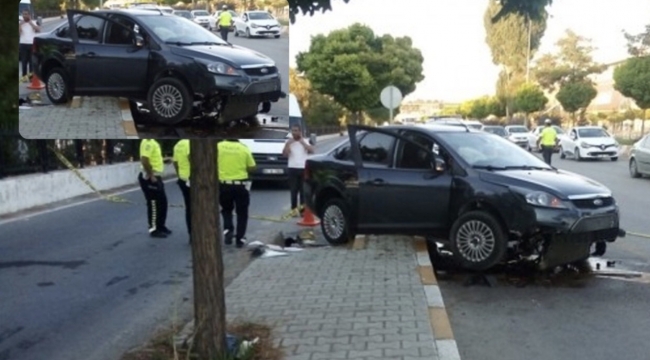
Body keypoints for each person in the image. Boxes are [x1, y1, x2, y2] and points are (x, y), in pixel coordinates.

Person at [218, 139, 256, 248]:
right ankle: (240, 239)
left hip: (224, 184)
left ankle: (228, 230)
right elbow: (252, 167)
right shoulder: (243, 148)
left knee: (226, 210)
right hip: (241, 185)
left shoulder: (218, 146)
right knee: (242, 213)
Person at [139, 139, 171, 238]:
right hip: (150, 178)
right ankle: (153, 229)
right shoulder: (148, 141)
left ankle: (160, 226)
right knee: (153, 204)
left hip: (156, 177)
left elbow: (152, 158)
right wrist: (151, 175)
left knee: (162, 203)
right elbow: (144, 159)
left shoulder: (153, 141)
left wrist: (163, 161)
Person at [282, 124, 314, 216]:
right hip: (292, 168)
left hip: (303, 168)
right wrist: (288, 144)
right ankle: (293, 210)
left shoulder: (306, 141)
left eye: (296, 130)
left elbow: (311, 151)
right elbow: (285, 154)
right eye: (293, 131)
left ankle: (303, 211)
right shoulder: (289, 142)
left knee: (303, 191)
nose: (294, 132)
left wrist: (302, 142)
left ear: (300, 131)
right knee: (293, 191)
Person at [173, 139, 191, 243]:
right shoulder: (190, 143)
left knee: (189, 209)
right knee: (199, 208)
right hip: (192, 180)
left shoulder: (178, 144)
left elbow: (175, 163)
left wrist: (179, 175)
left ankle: (191, 233)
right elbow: (190, 158)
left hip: (183, 179)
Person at [19, 10, 40, 80]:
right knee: (24, 61)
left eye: (26, 14)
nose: (25, 16)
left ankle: (31, 77)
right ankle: (24, 76)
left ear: (29, 15)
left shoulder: (33, 22)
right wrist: (20, 24)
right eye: (24, 14)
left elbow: (38, 30)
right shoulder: (20, 23)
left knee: (31, 62)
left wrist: (31, 23)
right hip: (23, 43)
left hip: (31, 44)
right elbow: (19, 32)